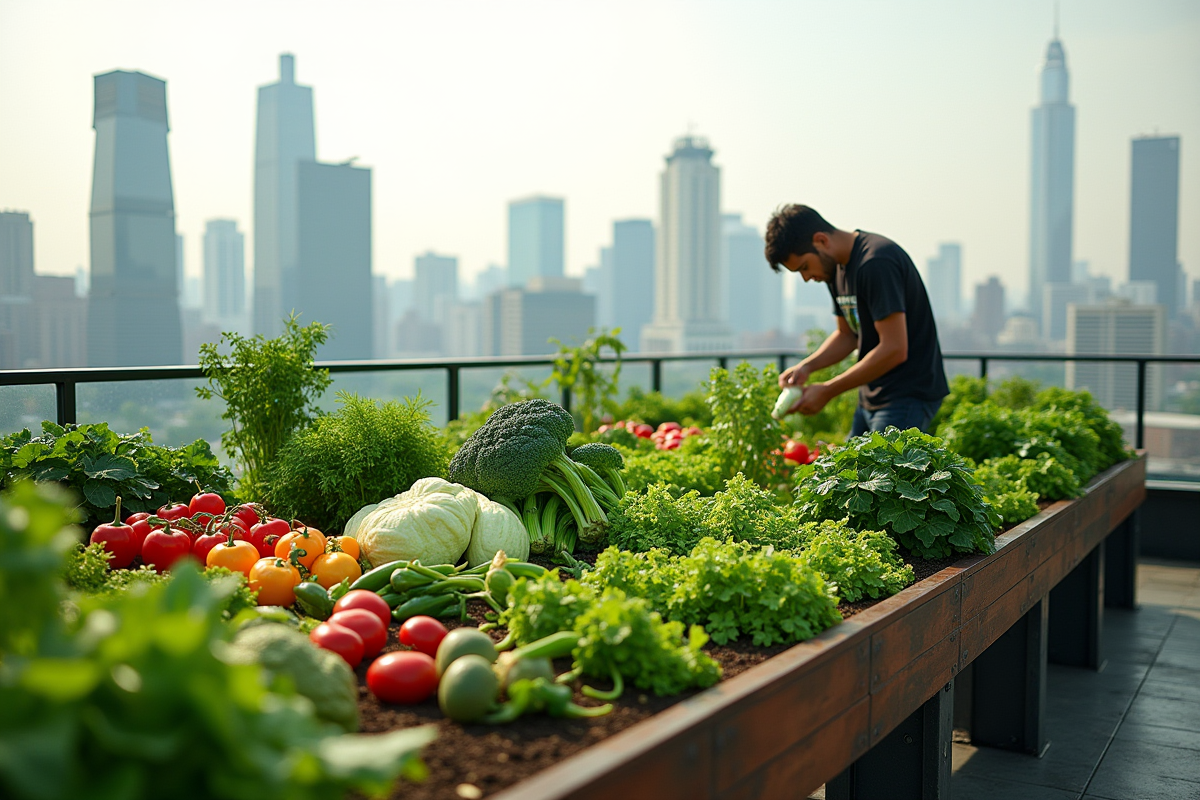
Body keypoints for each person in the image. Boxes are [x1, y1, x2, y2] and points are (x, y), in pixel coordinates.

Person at [763, 204, 949, 437]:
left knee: (879, 474)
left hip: (906, 396)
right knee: (851, 471)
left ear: (821, 240)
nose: (807, 278)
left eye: (804, 267)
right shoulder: (836, 270)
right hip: (871, 396)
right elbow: (847, 335)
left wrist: (828, 390)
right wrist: (807, 367)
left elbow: (894, 349)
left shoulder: (876, 262)